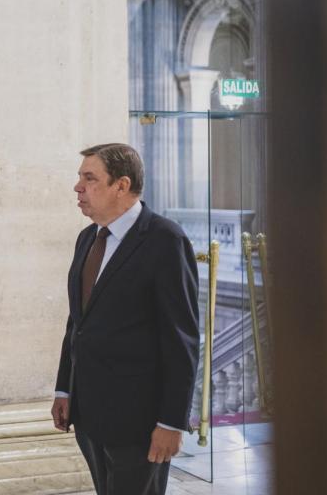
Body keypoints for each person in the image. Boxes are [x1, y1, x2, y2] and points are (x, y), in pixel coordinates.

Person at [52, 143, 200, 495]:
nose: (78, 187)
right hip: (89, 414)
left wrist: (171, 422)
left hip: (140, 422)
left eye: (89, 178)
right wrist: (64, 387)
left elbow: (182, 340)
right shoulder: (88, 238)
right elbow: (78, 323)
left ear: (121, 185)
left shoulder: (165, 240)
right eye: (79, 178)